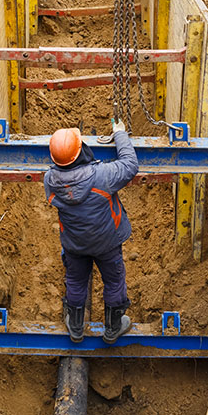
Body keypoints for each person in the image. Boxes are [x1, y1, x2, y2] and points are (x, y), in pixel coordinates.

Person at [44, 120, 139, 344]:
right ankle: (113, 328)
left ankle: (76, 328)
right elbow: (130, 164)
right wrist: (120, 134)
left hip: (75, 244)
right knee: (114, 281)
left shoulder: (50, 180)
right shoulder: (103, 176)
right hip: (107, 242)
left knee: (76, 281)